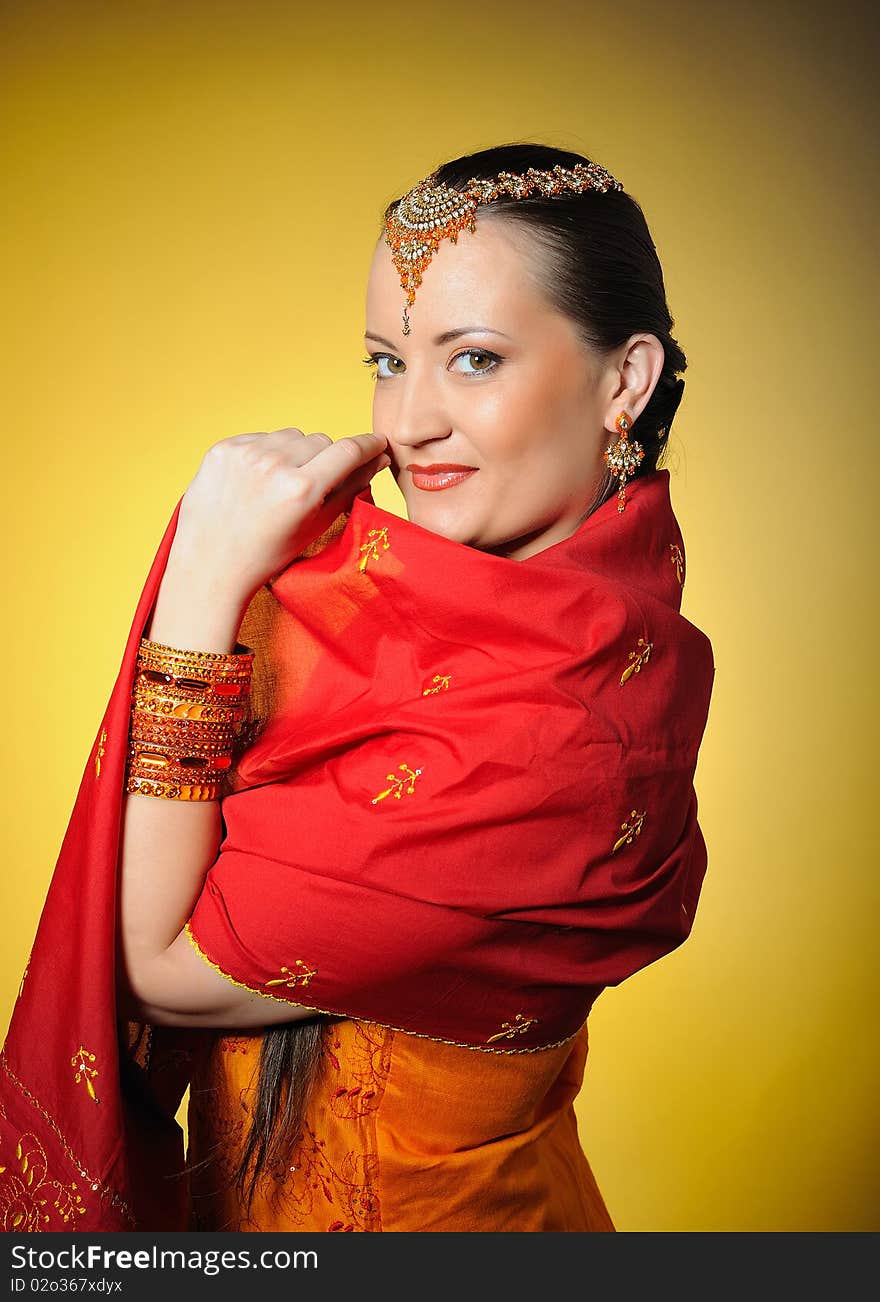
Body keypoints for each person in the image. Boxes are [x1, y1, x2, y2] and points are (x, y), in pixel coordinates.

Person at [0, 141, 714, 1234]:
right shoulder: (404, 623)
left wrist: (200, 579)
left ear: (623, 379)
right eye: (388, 359)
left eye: (472, 359)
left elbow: (156, 969)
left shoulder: (565, 729)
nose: (408, 420)